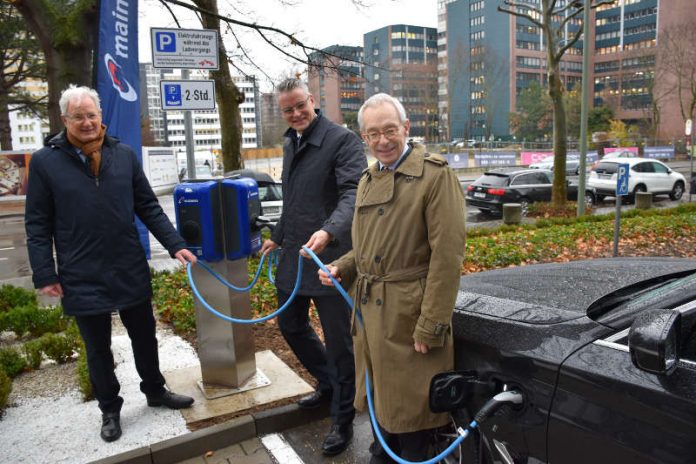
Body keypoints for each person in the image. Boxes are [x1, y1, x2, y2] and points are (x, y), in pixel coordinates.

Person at [25, 85, 197, 443]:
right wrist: (45, 272)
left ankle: (155, 390)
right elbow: (38, 224)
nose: (87, 122)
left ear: (101, 116)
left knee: (144, 337)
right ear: (65, 119)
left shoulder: (124, 155)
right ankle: (109, 409)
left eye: (92, 115)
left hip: (127, 263)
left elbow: (148, 206)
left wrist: (176, 244)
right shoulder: (45, 162)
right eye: (78, 116)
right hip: (80, 271)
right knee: (98, 348)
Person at [318, 93, 466, 463]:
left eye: (389, 130)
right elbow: (369, 246)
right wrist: (345, 266)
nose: (382, 140)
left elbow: (447, 258)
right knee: (383, 414)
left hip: (408, 317)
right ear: (363, 138)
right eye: (372, 133)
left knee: (412, 425)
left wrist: (431, 325)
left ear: (405, 128)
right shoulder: (370, 177)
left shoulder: (435, 176)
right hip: (372, 318)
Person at [260, 78, 366, 456]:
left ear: (313, 100)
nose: (295, 114)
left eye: (300, 105)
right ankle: (327, 385)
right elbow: (292, 197)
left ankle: (343, 418)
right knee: (290, 325)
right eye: (287, 110)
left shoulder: (342, 140)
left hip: (330, 258)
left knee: (339, 344)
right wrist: (278, 232)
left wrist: (329, 231)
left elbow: (354, 193)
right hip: (294, 253)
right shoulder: (292, 141)